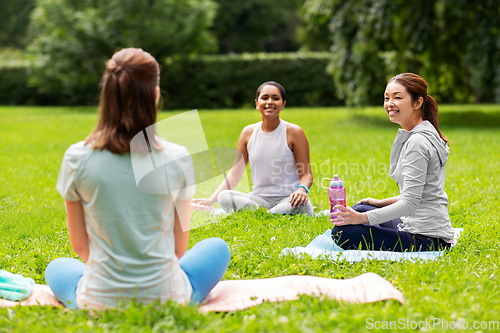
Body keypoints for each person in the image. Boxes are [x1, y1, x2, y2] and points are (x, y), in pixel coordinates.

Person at [45, 48, 230, 310]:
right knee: (216, 247)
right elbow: (179, 249)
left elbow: (80, 245)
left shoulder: (76, 156)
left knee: (58, 266)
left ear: (107, 95)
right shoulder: (178, 156)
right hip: (167, 297)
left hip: (98, 299)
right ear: (155, 95)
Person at [331, 73, 455, 252]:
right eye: (386, 98)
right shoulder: (425, 132)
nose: (390, 104)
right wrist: (380, 203)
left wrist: (360, 219)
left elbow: (410, 203)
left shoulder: (417, 142)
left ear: (418, 103)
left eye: (397, 97)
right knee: (361, 207)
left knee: (342, 232)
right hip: (421, 226)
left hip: (427, 238)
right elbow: (418, 192)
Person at [193, 81, 314, 215]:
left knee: (303, 205)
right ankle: (269, 214)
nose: (270, 102)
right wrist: (211, 200)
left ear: (283, 104)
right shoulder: (248, 133)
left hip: (289, 199)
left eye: (275, 98)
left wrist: (302, 190)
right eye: (264, 98)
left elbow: (306, 174)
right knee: (224, 196)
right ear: (257, 104)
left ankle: (261, 214)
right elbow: (235, 173)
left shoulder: (294, 132)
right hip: (259, 200)